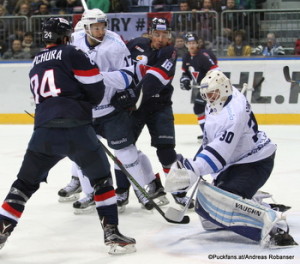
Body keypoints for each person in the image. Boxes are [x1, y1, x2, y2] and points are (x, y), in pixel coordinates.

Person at [0, 17, 136, 255]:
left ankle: (2, 232)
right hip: (77, 128)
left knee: (23, 185)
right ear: (66, 35)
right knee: (102, 179)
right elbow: (96, 88)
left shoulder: (36, 61)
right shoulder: (72, 52)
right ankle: (112, 234)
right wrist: (84, 103)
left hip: (43, 131)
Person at [165, 70, 298, 248]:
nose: (210, 99)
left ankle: (269, 223)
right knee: (209, 219)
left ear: (225, 89)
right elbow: (209, 142)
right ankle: (252, 201)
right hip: (235, 163)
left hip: (254, 162)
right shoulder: (217, 100)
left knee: (222, 206)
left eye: (212, 94)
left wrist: (193, 170)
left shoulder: (234, 114)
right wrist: (191, 170)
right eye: (206, 95)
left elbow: (220, 153)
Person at [57, 9, 167, 214]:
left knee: (126, 153)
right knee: (83, 155)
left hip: (111, 110)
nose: (100, 31)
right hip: (85, 111)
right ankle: (90, 194)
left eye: (103, 26)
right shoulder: (74, 41)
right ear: (87, 27)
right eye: (96, 27)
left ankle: (142, 192)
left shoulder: (115, 45)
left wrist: (95, 76)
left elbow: (128, 76)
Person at [112, 17, 194, 209]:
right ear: (150, 33)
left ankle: (179, 193)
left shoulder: (170, 52)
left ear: (169, 35)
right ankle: (122, 192)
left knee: (166, 151)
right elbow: (115, 52)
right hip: (136, 108)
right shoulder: (137, 44)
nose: (160, 38)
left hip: (159, 107)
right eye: (156, 34)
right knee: (124, 148)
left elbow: (156, 78)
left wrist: (132, 94)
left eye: (164, 35)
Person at [180, 32, 219, 142]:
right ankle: (208, 133)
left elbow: (216, 71)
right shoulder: (186, 57)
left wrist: (210, 84)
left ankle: (210, 134)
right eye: (189, 43)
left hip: (212, 87)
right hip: (203, 89)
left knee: (206, 109)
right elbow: (186, 73)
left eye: (193, 43)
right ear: (186, 44)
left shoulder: (204, 56)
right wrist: (185, 79)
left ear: (198, 44)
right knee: (200, 109)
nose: (191, 45)